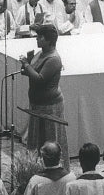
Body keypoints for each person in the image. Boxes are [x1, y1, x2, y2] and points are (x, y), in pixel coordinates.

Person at [20, 23, 69, 171]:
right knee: (37, 138)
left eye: (39, 37)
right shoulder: (40, 53)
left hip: (50, 106)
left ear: (48, 40)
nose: (37, 39)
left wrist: (26, 65)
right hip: (37, 104)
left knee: (50, 138)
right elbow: (31, 72)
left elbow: (40, 79)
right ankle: (37, 169)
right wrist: (27, 67)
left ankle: (55, 169)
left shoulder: (53, 58)